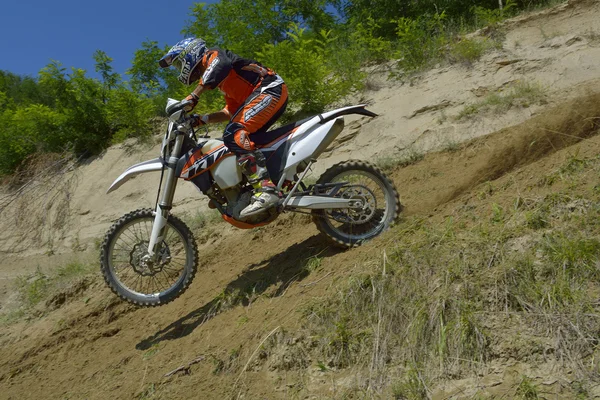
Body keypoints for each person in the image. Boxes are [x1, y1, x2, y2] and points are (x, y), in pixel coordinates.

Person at [158, 37, 288, 218]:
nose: (181, 71)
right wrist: (200, 120)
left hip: (269, 89)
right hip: (264, 95)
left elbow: (219, 65)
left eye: (180, 64)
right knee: (241, 140)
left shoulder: (213, 56)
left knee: (234, 133)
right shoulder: (224, 82)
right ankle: (261, 184)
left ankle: (266, 190)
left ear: (190, 54)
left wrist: (193, 96)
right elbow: (230, 112)